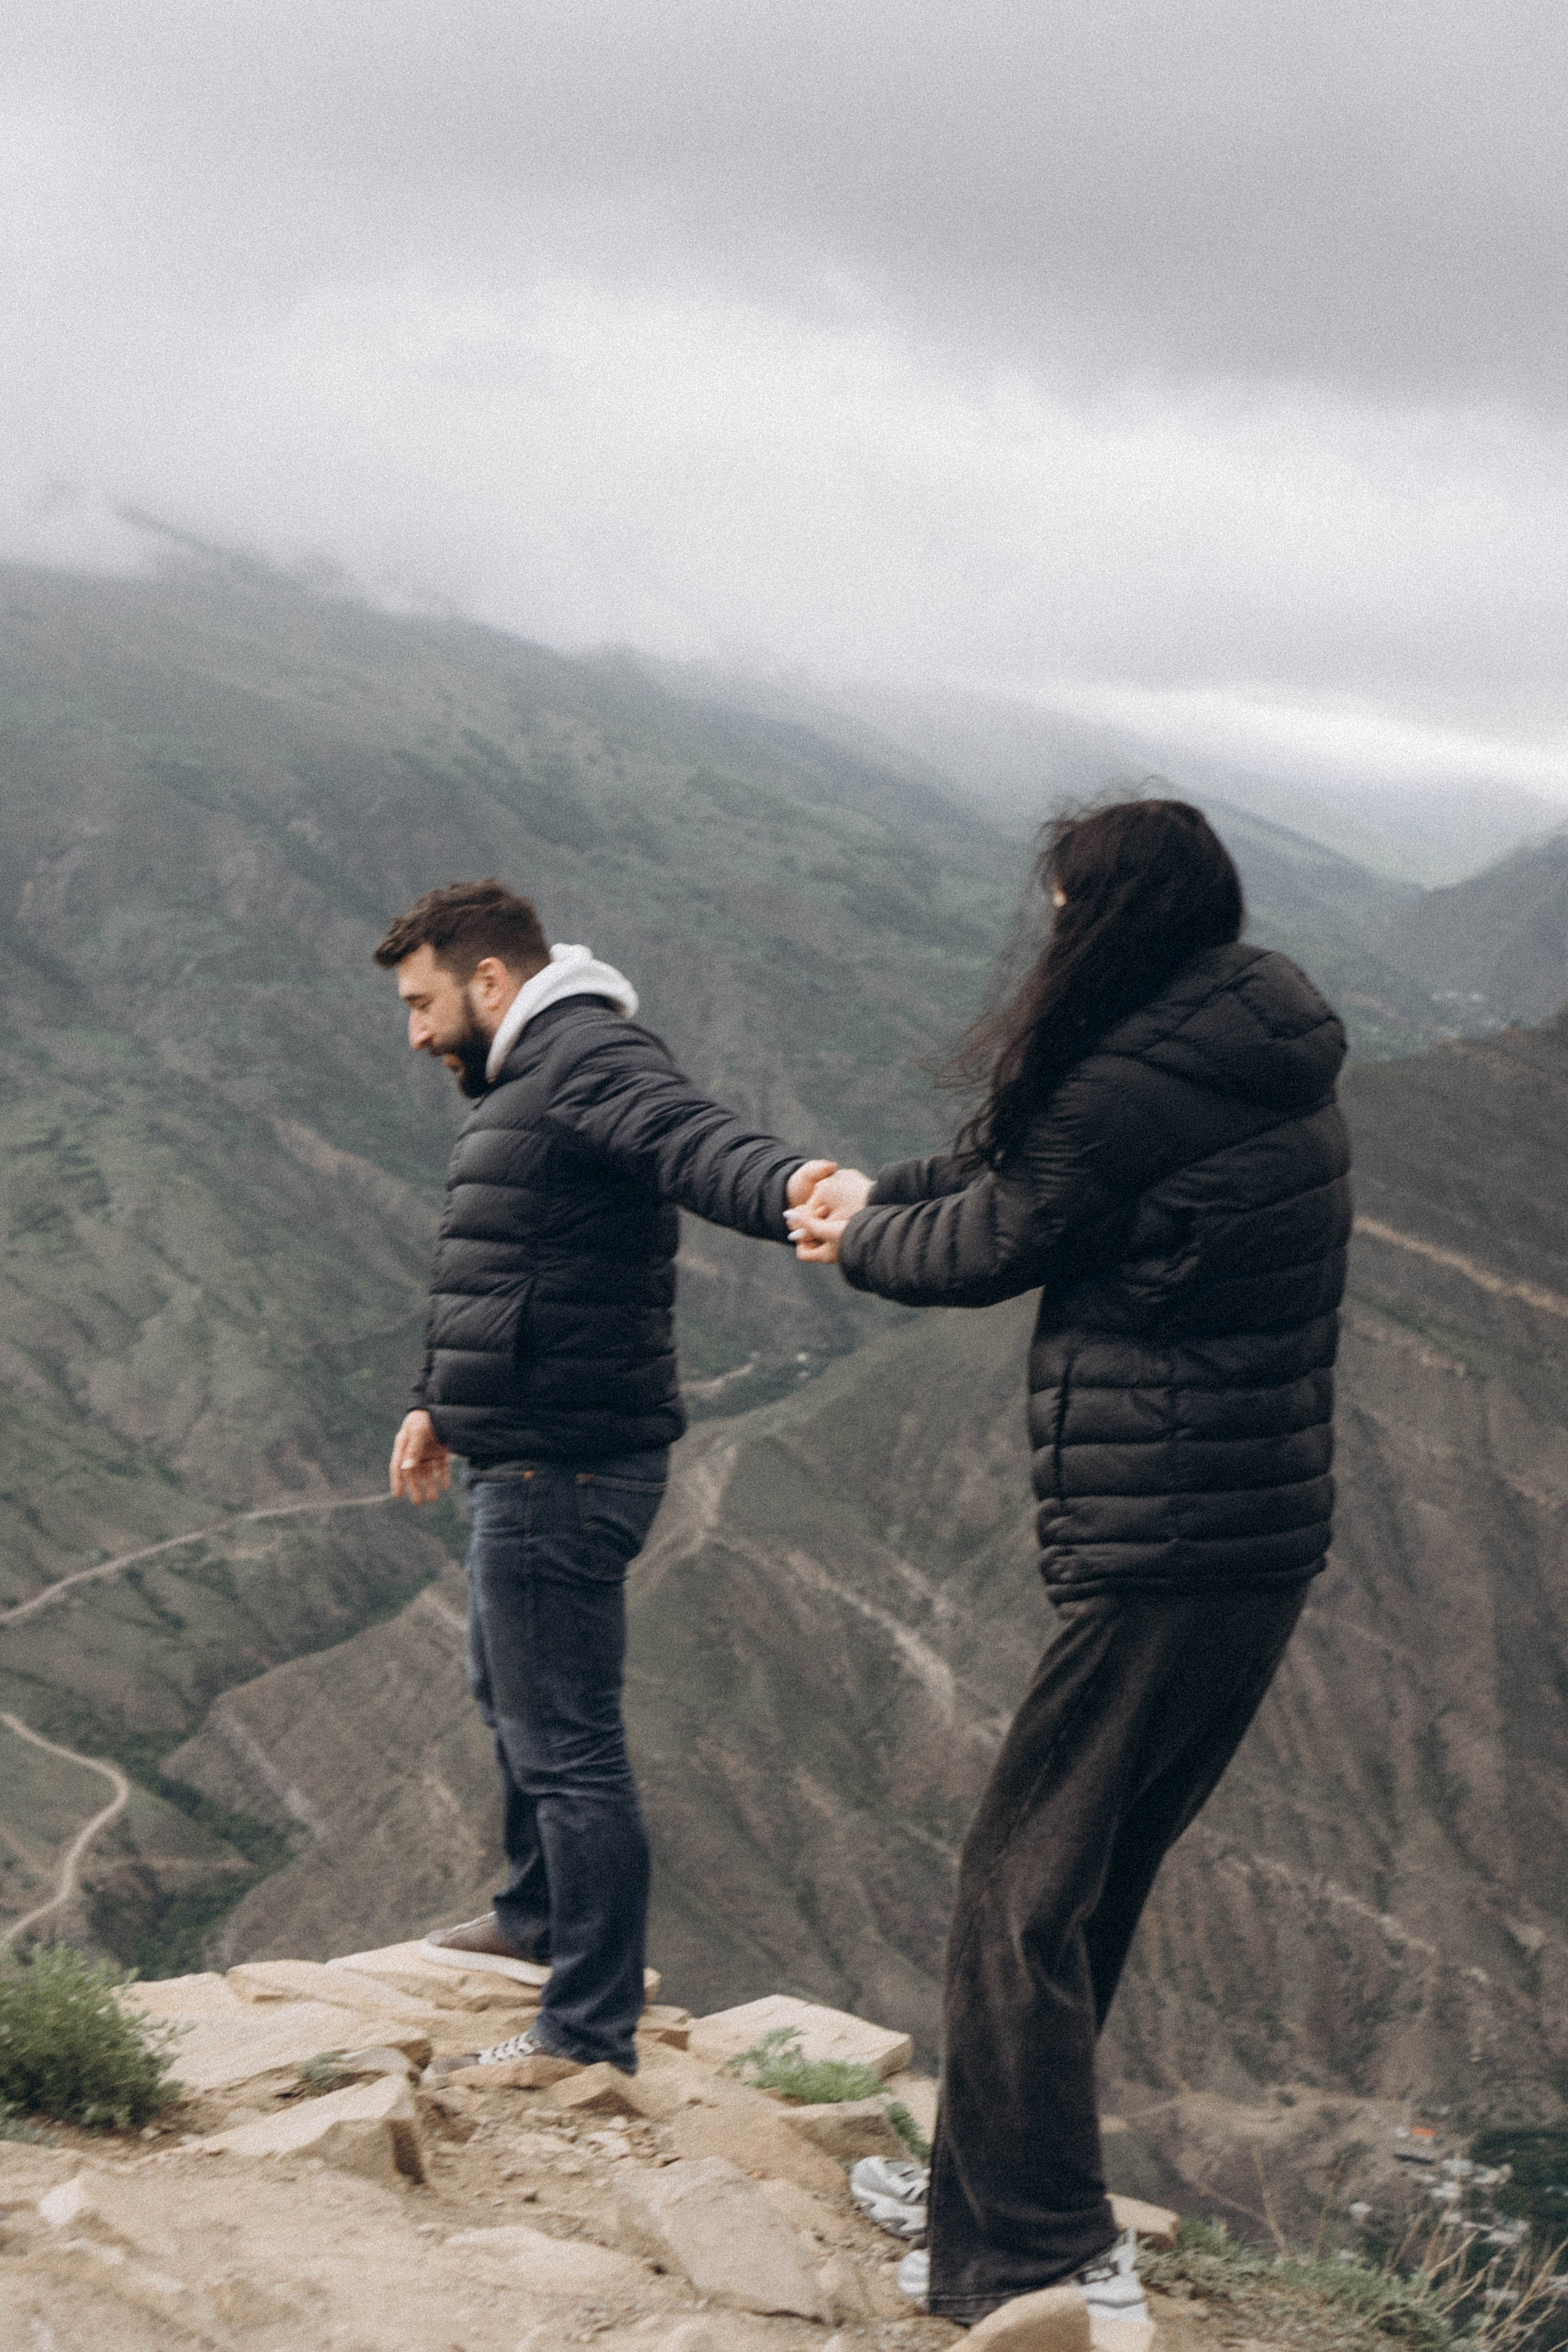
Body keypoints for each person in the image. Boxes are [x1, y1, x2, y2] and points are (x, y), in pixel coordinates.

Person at [787, 799, 1351, 2331]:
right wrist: (876, 1186)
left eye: (1055, 910)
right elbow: (1009, 1165)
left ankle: (1038, 2256)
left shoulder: (1122, 1084)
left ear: (1097, 922)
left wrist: (857, 1240)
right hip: (1253, 1539)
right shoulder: (1241, 1046)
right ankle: (985, 2187)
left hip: (1162, 1542)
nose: (1042, 936)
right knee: (1078, 1887)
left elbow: (993, 1240)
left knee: (1017, 1895)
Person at [376, 879, 831, 2077]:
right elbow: (500, 1260)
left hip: (560, 1469)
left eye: (424, 1004)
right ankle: (531, 1921)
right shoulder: (529, 1073)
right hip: (521, 1448)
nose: (415, 1033)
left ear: (489, 982)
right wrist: (439, 1402)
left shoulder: (583, 1058)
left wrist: (793, 1187)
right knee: (504, 1692)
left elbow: (694, 1140)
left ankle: (583, 2033)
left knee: (565, 1742)